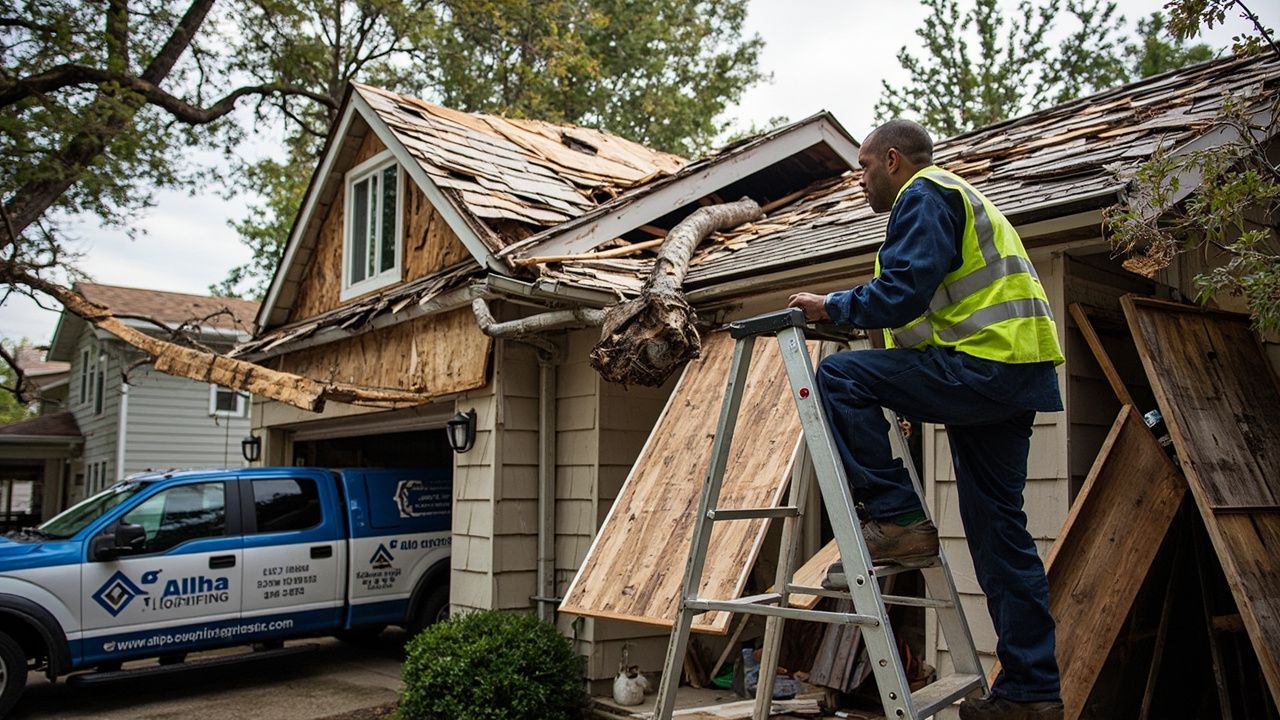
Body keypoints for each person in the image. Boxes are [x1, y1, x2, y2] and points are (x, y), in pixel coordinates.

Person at [787, 119, 1065, 720]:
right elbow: (920, 313)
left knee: (837, 376)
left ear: (891, 159)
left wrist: (829, 304)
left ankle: (895, 518)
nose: (858, 181)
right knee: (1000, 535)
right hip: (1012, 377)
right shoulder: (956, 200)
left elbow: (903, 291)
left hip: (983, 369)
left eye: (861, 168)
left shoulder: (925, 195)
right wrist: (909, 402)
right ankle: (1031, 692)